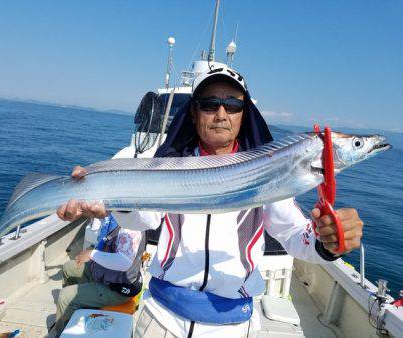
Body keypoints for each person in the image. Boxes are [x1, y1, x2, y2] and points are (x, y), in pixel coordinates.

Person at [57, 66, 364, 338]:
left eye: (232, 104)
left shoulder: (268, 174)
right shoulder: (167, 165)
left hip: (232, 328)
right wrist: (116, 203)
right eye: (209, 104)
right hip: (161, 320)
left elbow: (296, 237)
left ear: (244, 114)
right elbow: (144, 219)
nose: (221, 114)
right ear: (194, 113)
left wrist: (328, 242)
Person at [53, 212, 145, 335]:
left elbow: (124, 262)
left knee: (65, 297)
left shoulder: (130, 224)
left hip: (118, 286)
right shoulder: (116, 216)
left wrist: (92, 254)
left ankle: (62, 333)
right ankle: (72, 313)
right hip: (103, 273)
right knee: (68, 268)